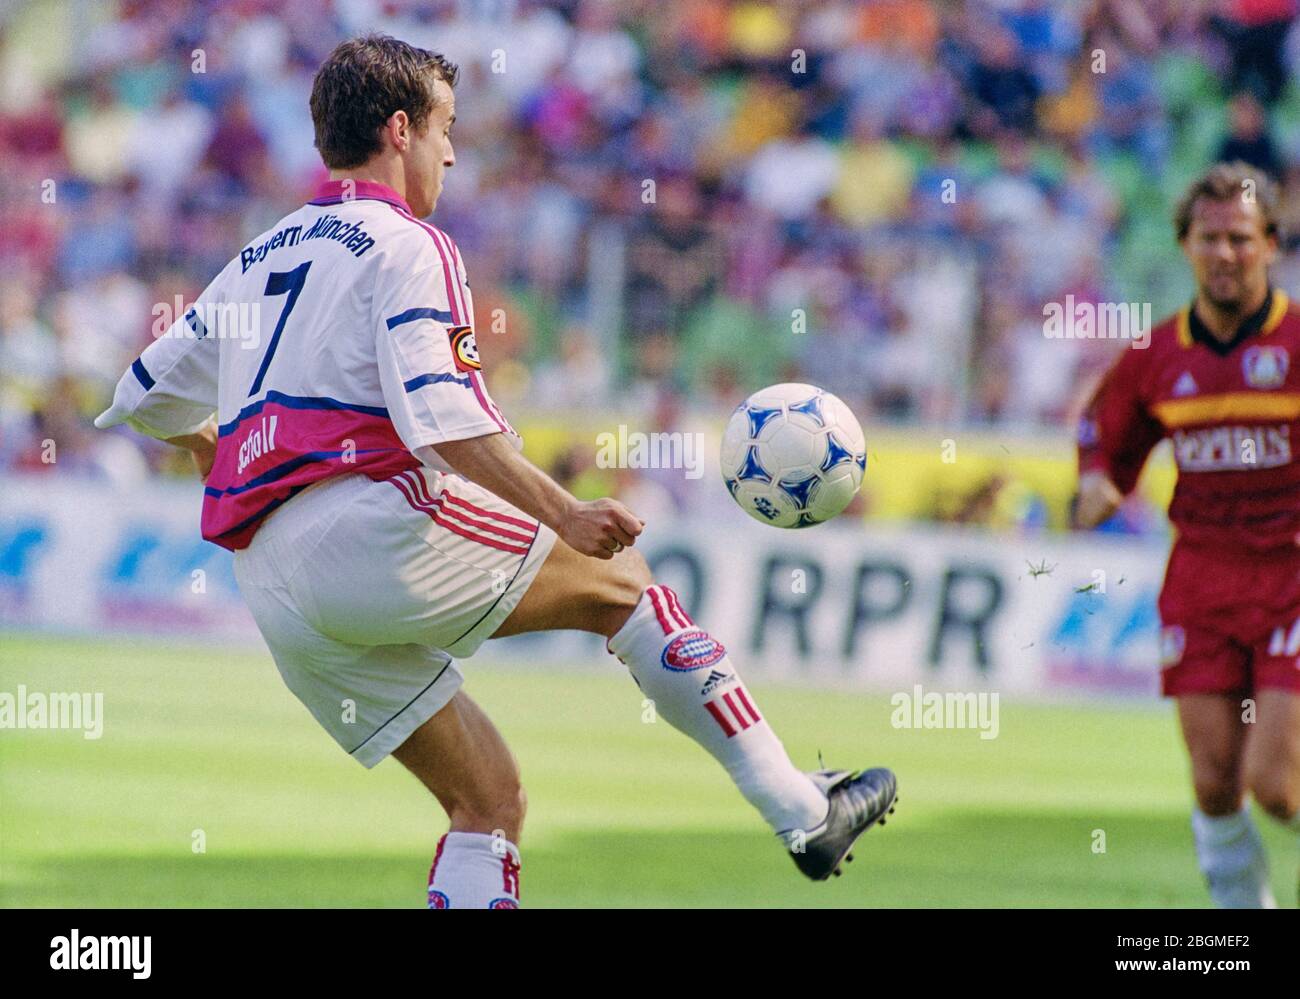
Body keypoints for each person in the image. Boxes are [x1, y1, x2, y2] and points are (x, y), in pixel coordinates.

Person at [94, 34, 896, 908]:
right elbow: (443, 421)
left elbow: (139, 397)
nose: (451, 150)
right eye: (445, 128)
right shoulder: (411, 244)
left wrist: (215, 450)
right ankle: (799, 810)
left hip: (273, 586)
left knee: (488, 801)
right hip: (364, 525)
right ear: (399, 130)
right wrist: (566, 514)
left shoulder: (257, 257)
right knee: (622, 582)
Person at [1074, 161, 1300, 908]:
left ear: (1271, 242)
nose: (1224, 253)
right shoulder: (1153, 357)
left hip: (1292, 576)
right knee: (1214, 783)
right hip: (1201, 580)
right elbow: (1099, 434)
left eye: (1241, 238)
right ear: (1184, 245)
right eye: (1209, 238)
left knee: (1277, 785)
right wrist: (1095, 483)